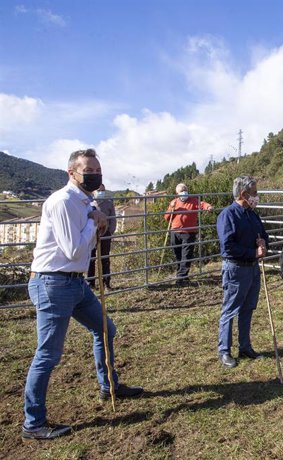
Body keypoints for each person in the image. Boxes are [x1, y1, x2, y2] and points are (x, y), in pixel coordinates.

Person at [22, 149, 143, 440]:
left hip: (75, 283)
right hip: (53, 283)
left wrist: (95, 218)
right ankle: (33, 423)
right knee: (48, 354)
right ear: (72, 173)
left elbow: (84, 249)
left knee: (105, 329)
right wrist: (95, 221)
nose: (95, 175)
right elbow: (73, 250)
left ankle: (109, 385)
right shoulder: (63, 202)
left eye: (97, 169)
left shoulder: (85, 201)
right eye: (89, 169)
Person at [216, 176, 269, 368]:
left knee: (248, 308)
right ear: (243, 194)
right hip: (236, 269)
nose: (256, 197)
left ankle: (245, 346)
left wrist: (263, 243)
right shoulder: (228, 215)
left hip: (252, 269)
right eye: (254, 193)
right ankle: (224, 351)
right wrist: (252, 252)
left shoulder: (252, 214)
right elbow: (227, 247)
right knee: (230, 310)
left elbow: (263, 234)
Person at [164, 183, 213, 285]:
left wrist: (208, 207)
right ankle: (182, 275)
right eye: (181, 191)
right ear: (177, 193)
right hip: (175, 231)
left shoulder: (193, 201)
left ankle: (181, 279)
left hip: (189, 232)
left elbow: (202, 204)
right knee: (178, 255)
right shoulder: (174, 202)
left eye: (185, 190)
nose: (184, 192)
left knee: (186, 256)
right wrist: (171, 209)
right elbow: (167, 218)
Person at [87, 184, 117, 289]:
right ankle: (90, 283)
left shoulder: (109, 204)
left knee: (105, 258)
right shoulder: (89, 203)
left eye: (103, 190)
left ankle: (106, 282)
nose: (101, 192)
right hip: (91, 234)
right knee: (91, 258)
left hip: (105, 234)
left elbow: (113, 219)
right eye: (99, 190)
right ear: (94, 192)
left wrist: (109, 232)